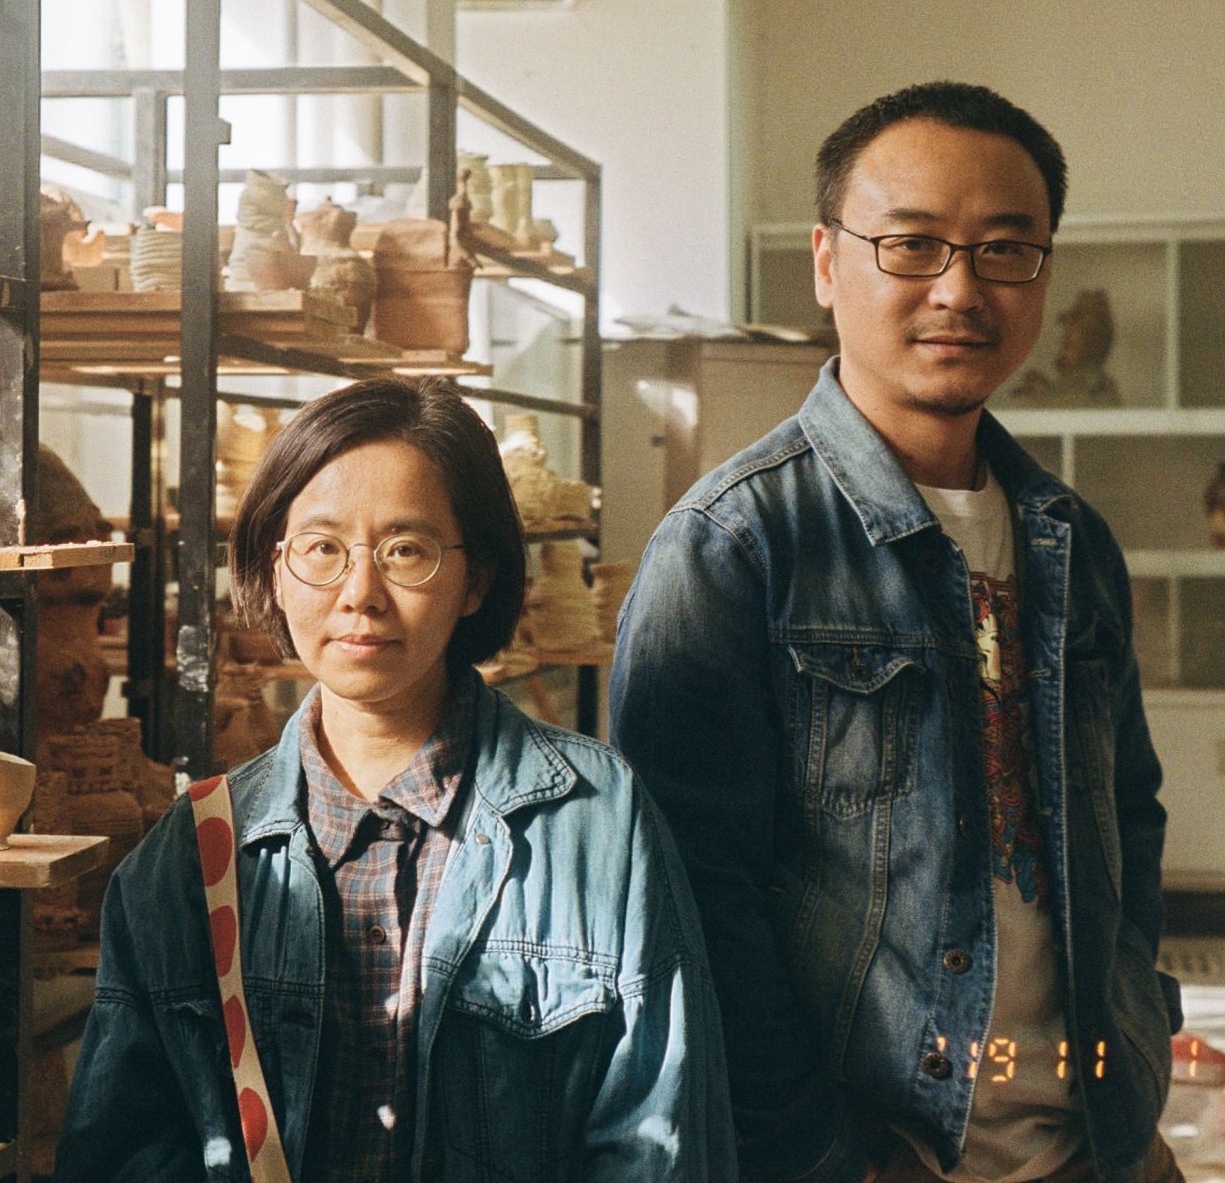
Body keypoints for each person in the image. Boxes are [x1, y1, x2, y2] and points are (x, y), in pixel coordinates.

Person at [608, 82, 1182, 1183]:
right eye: (911, 244)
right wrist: (824, 1157)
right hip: (881, 1154)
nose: (959, 289)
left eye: (1004, 249)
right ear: (827, 262)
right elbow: (688, 901)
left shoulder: (1071, 540)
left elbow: (1129, 817)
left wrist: (1141, 1045)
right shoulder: (733, 547)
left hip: (1095, 1145)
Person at [57, 376, 735, 1182]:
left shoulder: (598, 823)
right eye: (321, 548)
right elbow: (124, 1153)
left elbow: (658, 1143)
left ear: (476, 577)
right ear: (275, 570)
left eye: (405, 550)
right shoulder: (191, 856)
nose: (360, 594)